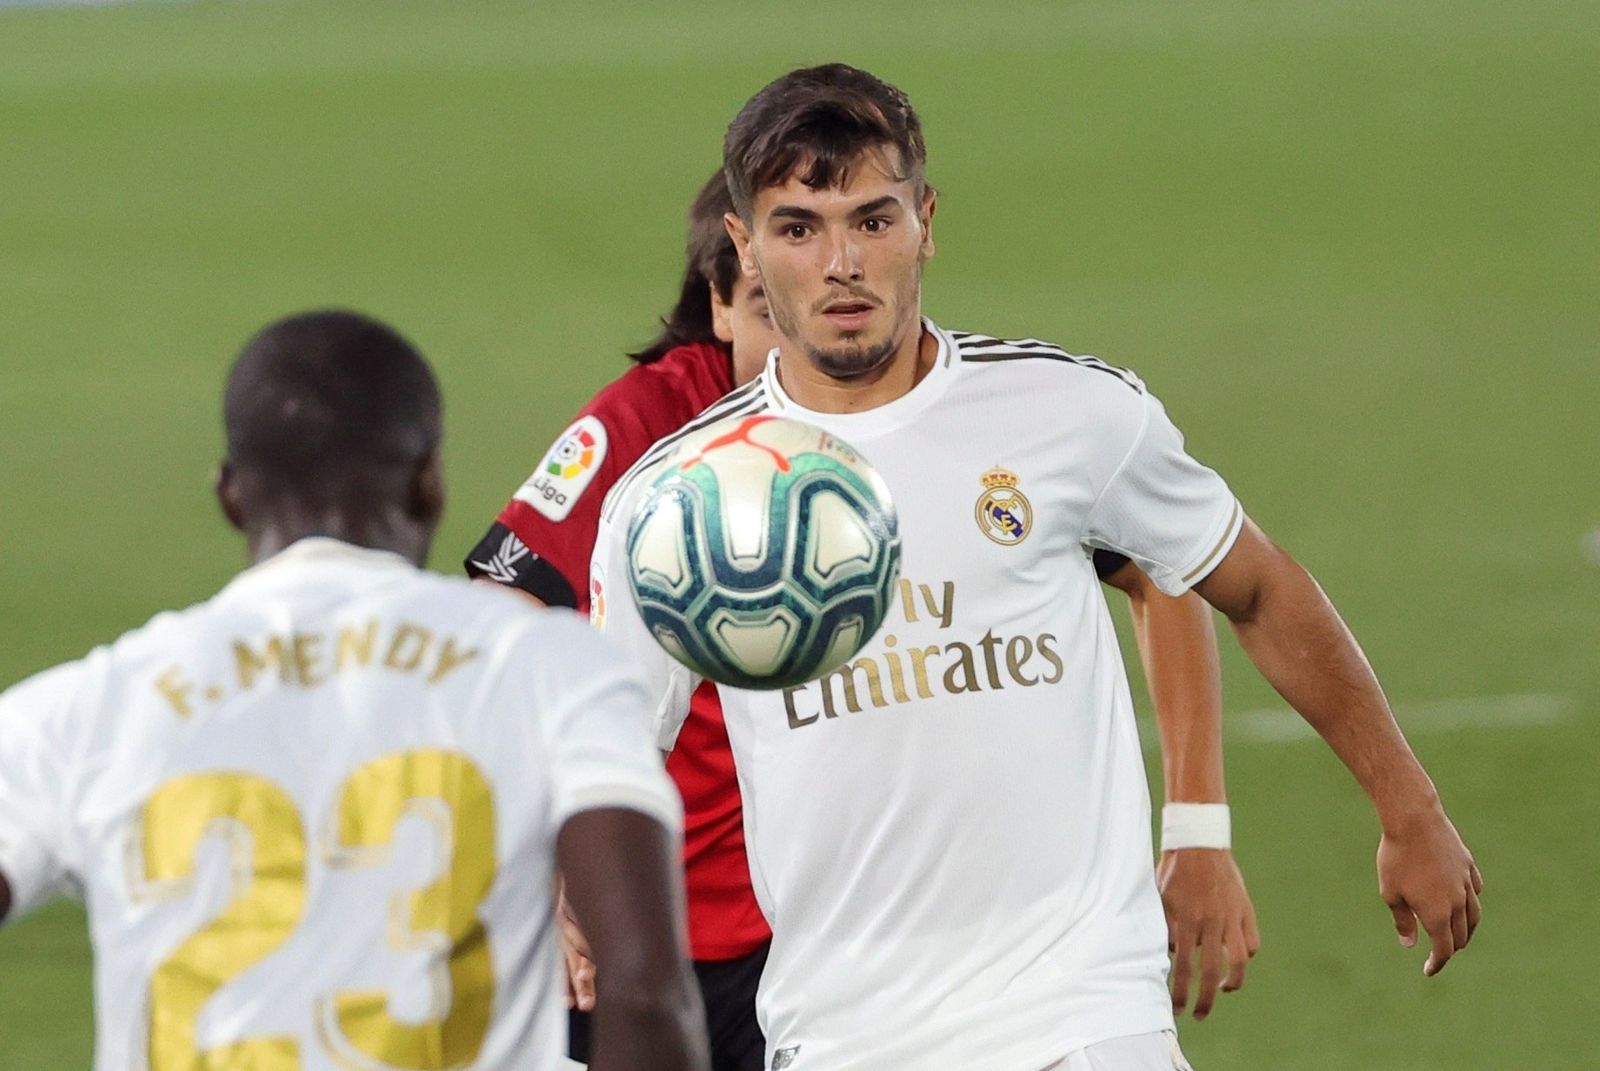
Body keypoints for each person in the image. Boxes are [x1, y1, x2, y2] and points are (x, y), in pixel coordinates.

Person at [591, 65, 1482, 1071]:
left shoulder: (1068, 415)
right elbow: (605, 743)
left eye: (872, 220)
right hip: (844, 1034)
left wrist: (1409, 808)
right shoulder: (676, 503)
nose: (841, 263)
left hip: (1081, 1013)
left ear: (926, 220)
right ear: (746, 246)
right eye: (798, 229)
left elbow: (1257, 587)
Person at [467, 170, 1259, 1064]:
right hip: (657, 912)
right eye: (768, 307)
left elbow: (1164, 570)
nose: (804, 333)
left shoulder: (919, 419)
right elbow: (504, 609)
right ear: (720, 306)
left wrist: (1197, 820)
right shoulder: (656, 438)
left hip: (814, 921)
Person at [0, 310, 709, 1071]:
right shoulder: (553, 669)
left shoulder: (95, 706)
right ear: (430, 483)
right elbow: (642, 989)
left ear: (231, 496)